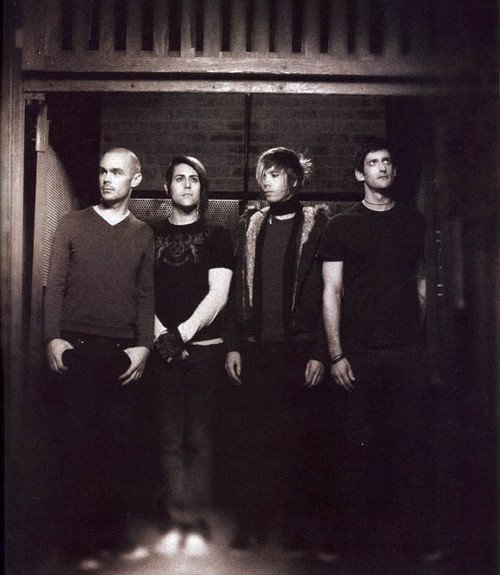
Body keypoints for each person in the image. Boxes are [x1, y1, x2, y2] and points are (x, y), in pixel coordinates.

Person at [319, 137, 431, 555]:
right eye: (372, 162)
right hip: (358, 354)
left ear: (394, 171)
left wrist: (413, 334)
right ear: (359, 173)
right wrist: (336, 354)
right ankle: (353, 545)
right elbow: (331, 291)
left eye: (387, 162)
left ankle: (410, 544)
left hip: (406, 352)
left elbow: (423, 284)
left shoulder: (414, 222)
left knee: (407, 448)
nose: (382, 168)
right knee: (355, 449)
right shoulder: (341, 226)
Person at [44, 148, 155, 569]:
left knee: (117, 451)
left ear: (135, 180)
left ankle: (110, 539)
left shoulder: (143, 233)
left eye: (116, 172)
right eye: (102, 171)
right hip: (76, 348)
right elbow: (54, 285)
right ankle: (77, 545)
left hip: (121, 353)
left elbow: (146, 295)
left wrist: (144, 345)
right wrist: (52, 338)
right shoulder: (71, 223)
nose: (107, 179)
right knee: (77, 449)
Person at [224, 147, 329, 551]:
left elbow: (330, 292)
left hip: (298, 351)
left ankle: (299, 529)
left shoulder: (317, 225)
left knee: (301, 442)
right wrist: (234, 345)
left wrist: (320, 352)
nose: (266, 181)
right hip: (257, 350)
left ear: (294, 180)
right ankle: (250, 524)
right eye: (263, 174)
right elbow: (236, 288)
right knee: (252, 442)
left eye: (275, 174)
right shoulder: (251, 224)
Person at [152, 156, 234, 557]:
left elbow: (218, 295)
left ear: (203, 188)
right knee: (169, 438)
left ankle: (197, 522)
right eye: (179, 179)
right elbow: (141, 292)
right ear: (167, 187)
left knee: (199, 438)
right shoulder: (149, 233)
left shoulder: (218, 234)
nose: (186, 185)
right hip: (161, 349)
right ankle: (175, 521)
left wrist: (180, 334)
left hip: (204, 349)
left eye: (194, 180)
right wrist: (160, 337)